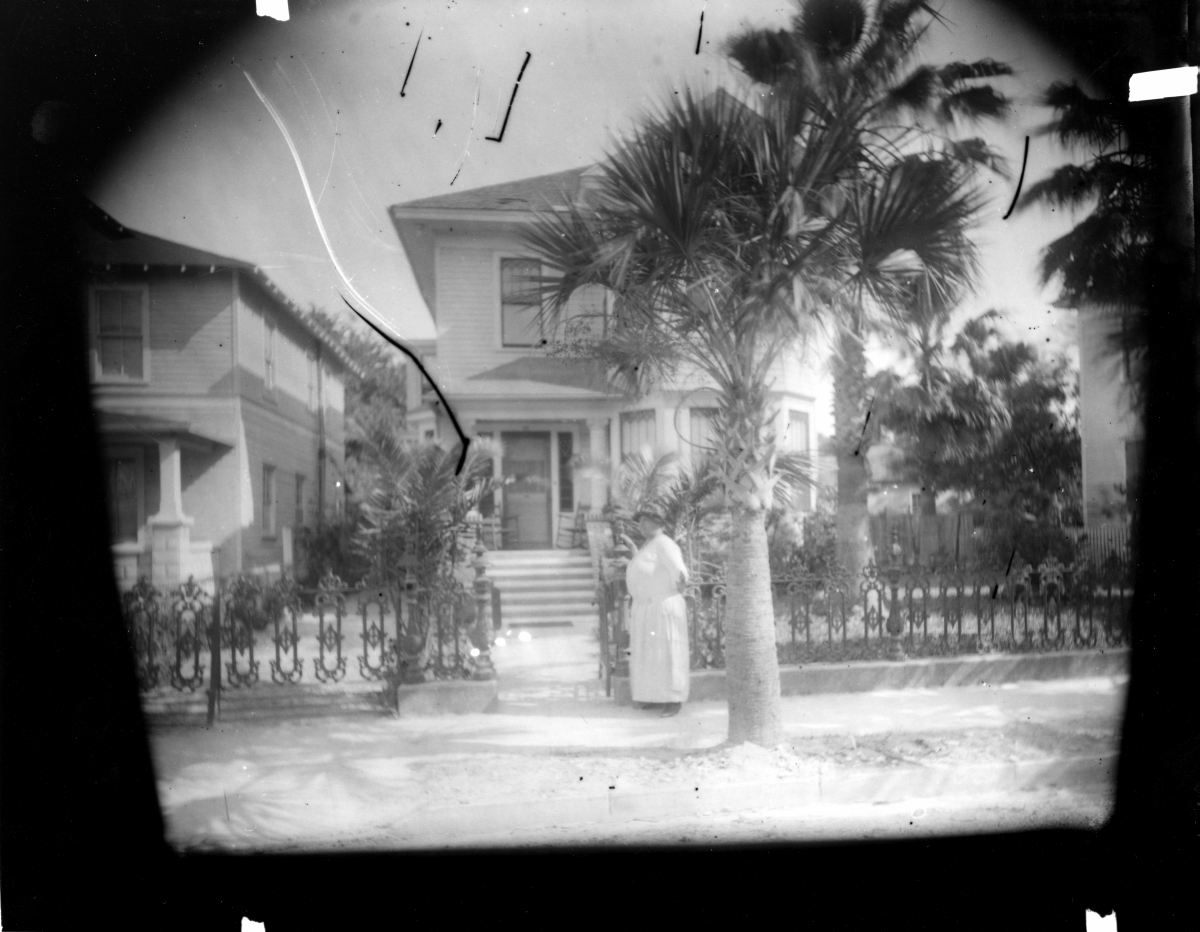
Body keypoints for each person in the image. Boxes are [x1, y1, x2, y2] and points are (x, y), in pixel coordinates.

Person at [621, 508, 690, 717]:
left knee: (668, 653)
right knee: (651, 655)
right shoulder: (649, 545)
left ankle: (673, 700)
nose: (640, 526)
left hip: (663, 607)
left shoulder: (665, 544)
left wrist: (678, 585)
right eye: (639, 522)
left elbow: (680, 572)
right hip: (647, 608)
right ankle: (654, 696)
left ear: (657, 522)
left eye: (645, 521)